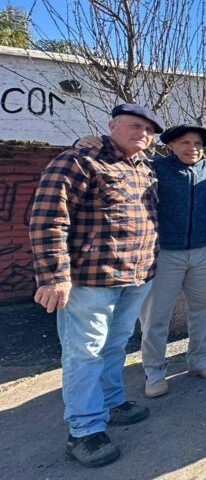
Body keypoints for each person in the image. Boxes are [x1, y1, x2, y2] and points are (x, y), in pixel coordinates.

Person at [29, 104, 162, 467]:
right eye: (135, 126)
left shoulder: (145, 168)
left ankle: (111, 402)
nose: (143, 134)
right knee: (84, 353)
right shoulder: (78, 161)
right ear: (112, 126)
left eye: (149, 130)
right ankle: (84, 431)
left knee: (116, 345)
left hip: (135, 276)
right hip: (90, 280)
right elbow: (48, 219)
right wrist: (54, 276)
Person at [139, 125, 206, 399]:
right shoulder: (154, 168)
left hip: (205, 250)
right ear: (170, 146)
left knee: (205, 308)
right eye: (184, 142)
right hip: (164, 252)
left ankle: (200, 359)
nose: (192, 147)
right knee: (155, 315)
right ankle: (154, 371)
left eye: (197, 143)